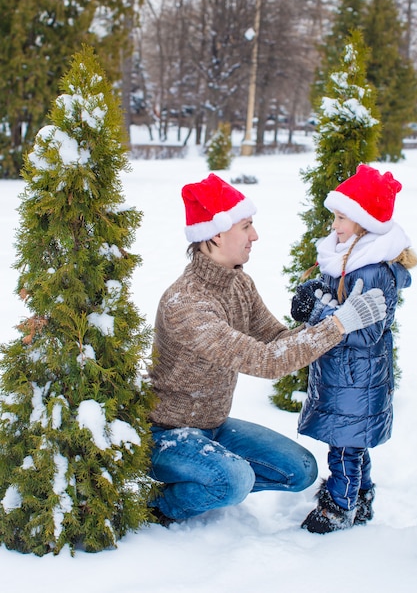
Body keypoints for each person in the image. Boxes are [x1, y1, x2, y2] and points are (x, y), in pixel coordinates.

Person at [147, 172, 387, 526]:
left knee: (301, 470)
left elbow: (275, 340)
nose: (254, 236)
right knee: (233, 480)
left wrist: (320, 317)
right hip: (167, 435)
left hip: (213, 426)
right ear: (215, 233)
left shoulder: (239, 283)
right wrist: (339, 325)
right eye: (246, 226)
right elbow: (267, 361)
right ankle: (158, 506)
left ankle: (214, 475)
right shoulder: (187, 304)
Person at [291, 164, 416, 534]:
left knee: (344, 448)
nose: (335, 225)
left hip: (355, 378)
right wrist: (317, 293)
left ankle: (338, 508)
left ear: (364, 222)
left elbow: (366, 331)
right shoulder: (350, 256)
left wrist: (317, 309)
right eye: (335, 216)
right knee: (353, 445)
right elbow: (341, 306)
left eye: (342, 217)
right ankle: (360, 498)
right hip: (345, 375)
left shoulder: (372, 268)